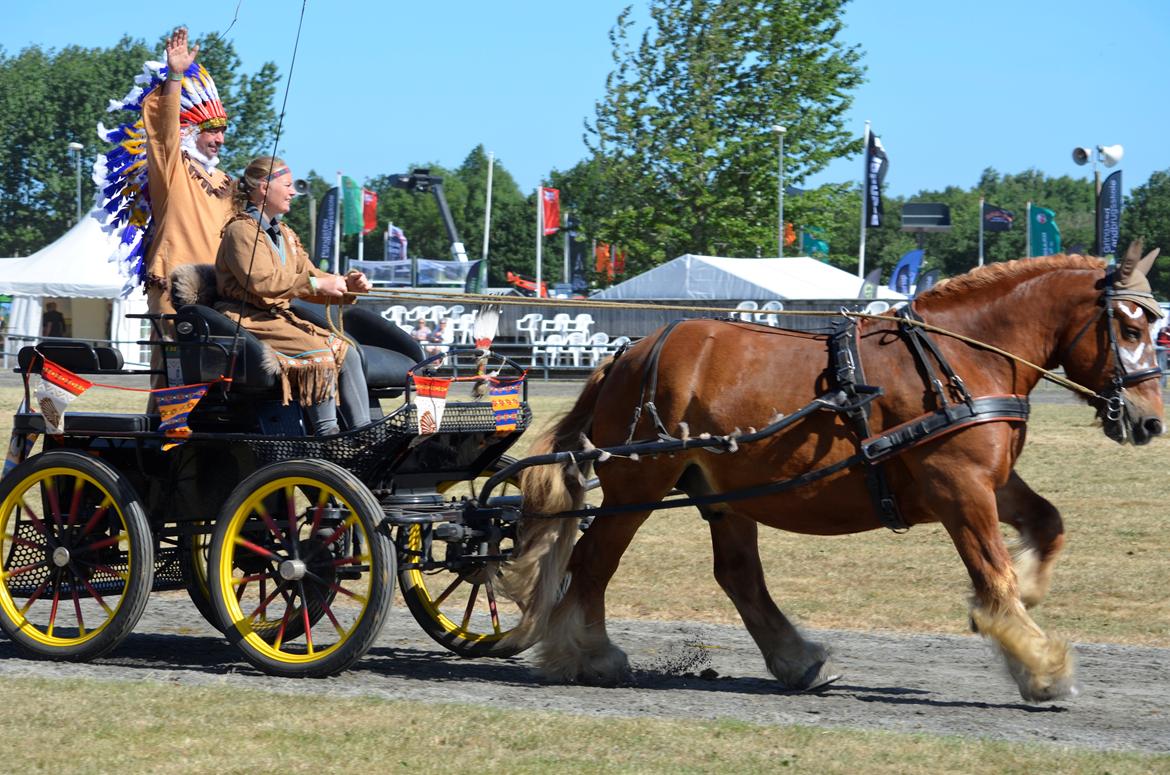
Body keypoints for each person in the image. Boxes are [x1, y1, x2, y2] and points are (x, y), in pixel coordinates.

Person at [215, 156, 373, 436]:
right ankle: (329, 437)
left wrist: (347, 285)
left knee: (345, 351)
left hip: (277, 319)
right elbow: (262, 281)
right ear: (264, 187)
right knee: (320, 355)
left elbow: (309, 274)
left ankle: (364, 432)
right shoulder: (240, 230)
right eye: (287, 185)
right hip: (248, 320)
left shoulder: (285, 234)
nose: (292, 191)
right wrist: (319, 285)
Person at [143, 27, 234, 317]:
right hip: (175, 288)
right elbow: (164, 130)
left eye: (223, 131)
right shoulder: (173, 167)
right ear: (191, 131)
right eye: (212, 131)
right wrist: (175, 77)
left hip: (219, 293)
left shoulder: (226, 182)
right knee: (173, 362)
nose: (220, 139)